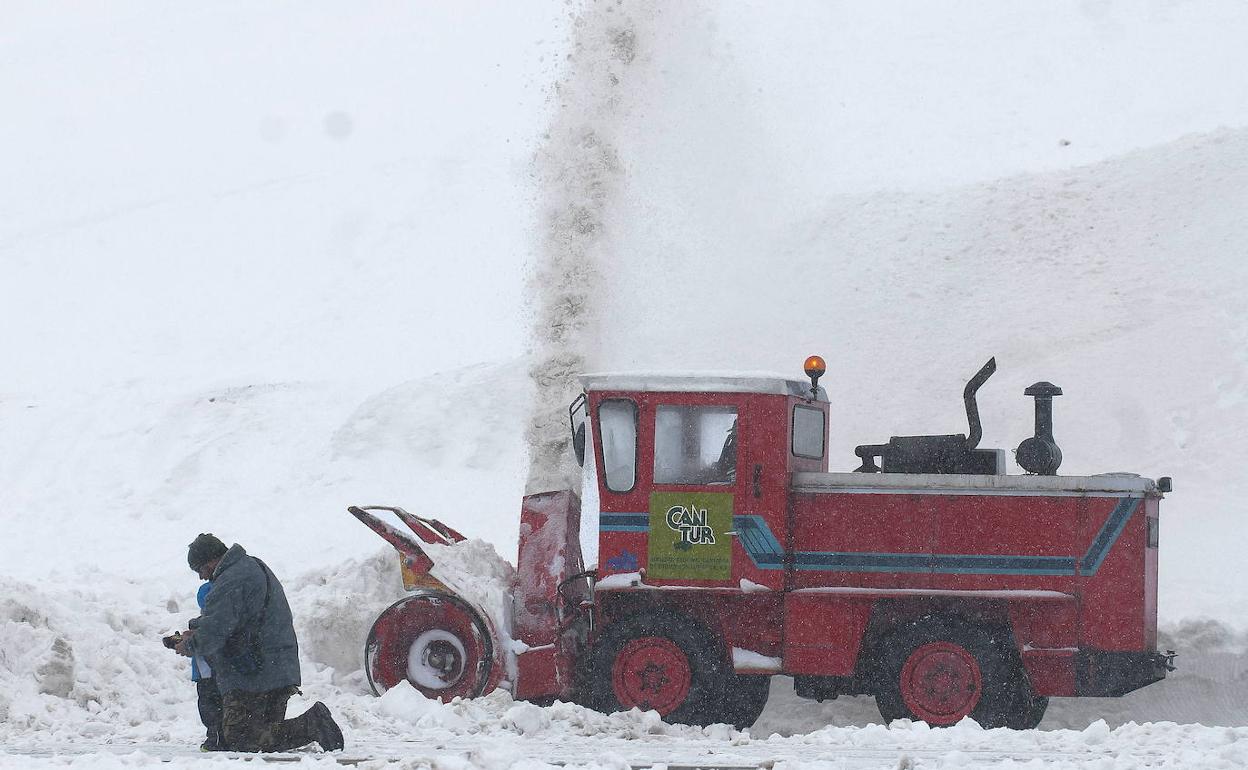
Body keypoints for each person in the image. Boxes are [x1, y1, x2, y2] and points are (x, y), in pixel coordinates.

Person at [175, 533, 344, 753]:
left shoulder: (230, 580)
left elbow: (216, 631)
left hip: (255, 672)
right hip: (275, 667)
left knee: (241, 738)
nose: (201, 577)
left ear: (210, 560)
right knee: (263, 732)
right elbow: (239, 618)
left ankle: (313, 724)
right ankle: (313, 724)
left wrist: (189, 645)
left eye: (200, 569)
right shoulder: (250, 566)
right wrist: (198, 629)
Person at [192, 579, 223, 751]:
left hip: (209, 675)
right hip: (206, 674)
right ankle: (216, 736)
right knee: (211, 707)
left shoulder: (207, 625)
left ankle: (215, 738)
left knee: (211, 709)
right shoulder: (206, 623)